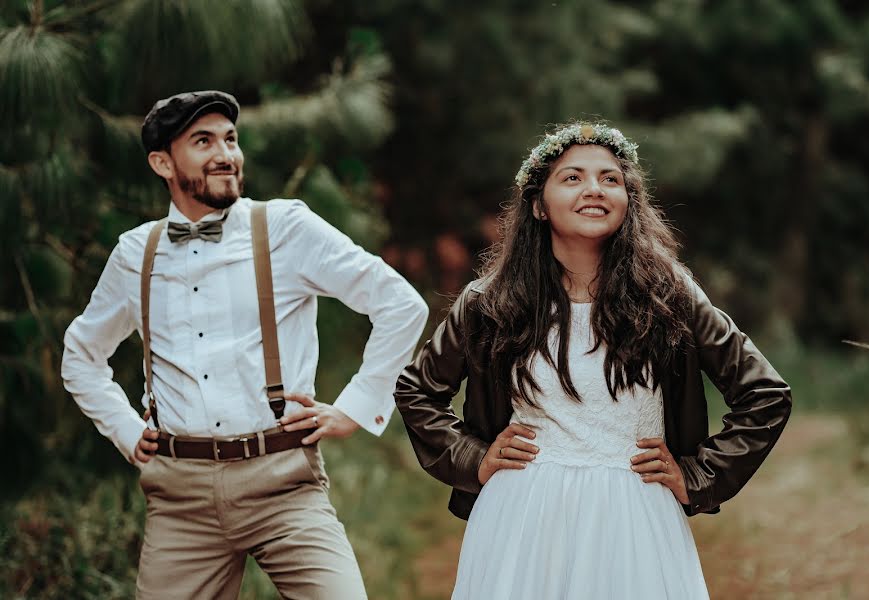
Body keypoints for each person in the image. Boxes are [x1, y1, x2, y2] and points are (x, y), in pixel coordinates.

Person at [394, 122, 792, 598]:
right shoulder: (490, 302)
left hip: (635, 515)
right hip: (521, 516)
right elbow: (417, 390)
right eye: (573, 178)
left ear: (629, 201)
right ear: (539, 205)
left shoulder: (669, 297)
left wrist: (700, 475)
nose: (594, 190)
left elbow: (765, 395)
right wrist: (472, 458)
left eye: (610, 179)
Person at [61, 90, 428, 600]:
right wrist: (125, 429)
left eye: (231, 139)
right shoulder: (134, 254)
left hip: (284, 485)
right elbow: (80, 354)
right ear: (162, 162)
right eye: (203, 141)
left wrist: (356, 406)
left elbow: (400, 304)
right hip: (179, 498)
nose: (225, 154)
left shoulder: (284, 228)